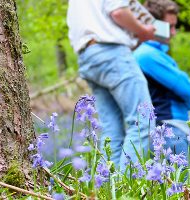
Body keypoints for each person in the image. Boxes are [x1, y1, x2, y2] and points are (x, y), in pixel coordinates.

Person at [67, 0, 156, 167]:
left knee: (111, 130)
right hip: (112, 52)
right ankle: (127, 188)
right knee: (143, 121)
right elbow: (118, 12)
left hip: (88, 55)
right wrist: (143, 31)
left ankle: (110, 188)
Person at [133, 0, 190, 157]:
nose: (174, 32)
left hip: (175, 128)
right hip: (168, 129)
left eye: (175, 27)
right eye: (170, 27)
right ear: (154, 24)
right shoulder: (146, 54)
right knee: (183, 181)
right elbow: (188, 90)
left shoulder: (157, 54)